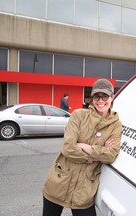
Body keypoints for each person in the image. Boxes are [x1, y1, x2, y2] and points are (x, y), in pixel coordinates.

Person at [42, 79, 122, 216]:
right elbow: (68, 148)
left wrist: (85, 146)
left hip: (84, 190)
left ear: (112, 97)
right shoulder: (78, 115)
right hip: (58, 182)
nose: (100, 100)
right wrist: (97, 155)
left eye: (105, 96)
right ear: (92, 98)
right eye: (97, 96)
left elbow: (110, 156)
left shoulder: (115, 124)